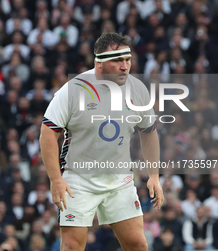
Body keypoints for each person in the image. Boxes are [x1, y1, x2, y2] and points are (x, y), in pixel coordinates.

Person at [39, 32, 164, 251]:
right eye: (117, 60)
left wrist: (154, 175)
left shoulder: (138, 90)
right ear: (99, 63)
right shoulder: (72, 90)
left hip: (119, 181)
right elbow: (48, 133)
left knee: (138, 244)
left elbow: (149, 131)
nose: (125, 66)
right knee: (71, 246)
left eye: (127, 59)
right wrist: (55, 179)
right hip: (78, 180)